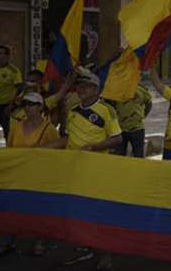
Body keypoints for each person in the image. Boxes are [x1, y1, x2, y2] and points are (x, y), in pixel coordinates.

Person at [52, 71, 120, 269]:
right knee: (78, 210)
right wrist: (40, 150)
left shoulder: (106, 110)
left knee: (97, 212)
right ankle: (89, 248)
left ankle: (105, 255)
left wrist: (93, 147)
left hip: (96, 170)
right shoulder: (72, 110)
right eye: (79, 86)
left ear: (95, 89)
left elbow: (117, 138)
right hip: (74, 168)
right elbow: (67, 139)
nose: (80, 90)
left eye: (85, 86)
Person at [0, 92, 60, 259]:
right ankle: (8, 241)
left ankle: (40, 240)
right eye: (25, 104)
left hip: (40, 176)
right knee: (13, 207)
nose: (27, 107)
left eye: (32, 104)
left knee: (40, 209)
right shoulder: (16, 126)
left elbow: (58, 154)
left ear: (40, 107)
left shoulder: (48, 129)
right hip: (19, 174)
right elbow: (11, 150)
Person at [0, 45, 23, 148]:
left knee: (8, 132)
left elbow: (20, 88)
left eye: (0, 53)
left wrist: (12, 105)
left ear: (7, 56)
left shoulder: (13, 71)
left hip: (7, 106)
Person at [109, 84, 152, 158]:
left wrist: (143, 115)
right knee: (119, 156)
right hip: (120, 129)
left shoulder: (142, 90)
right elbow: (111, 106)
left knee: (138, 156)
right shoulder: (116, 89)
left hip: (138, 129)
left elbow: (149, 104)